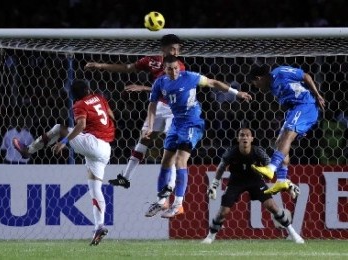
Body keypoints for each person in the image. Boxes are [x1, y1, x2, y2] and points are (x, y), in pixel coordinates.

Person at [144, 55, 252, 218]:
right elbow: (152, 105)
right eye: (169, 69)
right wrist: (150, 126)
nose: (173, 72)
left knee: (180, 160)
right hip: (176, 123)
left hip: (192, 123)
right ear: (164, 69)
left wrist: (236, 92)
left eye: (176, 68)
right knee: (166, 160)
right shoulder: (160, 83)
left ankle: (178, 204)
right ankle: (161, 201)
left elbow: (213, 83)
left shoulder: (190, 77)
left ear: (179, 67)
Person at [12, 80, 116, 246]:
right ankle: (99, 226)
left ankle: (28, 151)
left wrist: (65, 142)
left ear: (73, 95)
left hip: (94, 143)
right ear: (88, 89)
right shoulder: (99, 98)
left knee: (59, 128)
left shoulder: (79, 104)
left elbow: (81, 125)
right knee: (95, 188)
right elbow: (111, 115)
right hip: (106, 148)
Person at [85, 34, 184, 191]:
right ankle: (125, 177)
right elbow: (128, 68)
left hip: (175, 108)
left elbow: (171, 89)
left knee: (171, 144)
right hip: (158, 107)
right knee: (143, 140)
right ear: (163, 49)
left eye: (178, 50)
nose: (176, 53)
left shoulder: (178, 66)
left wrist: (143, 88)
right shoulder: (152, 60)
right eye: (173, 49)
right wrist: (100, 65)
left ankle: (171, 184)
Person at [202, 127, 304, 244]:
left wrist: (288, 183)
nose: (244, 137)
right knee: (223, 212)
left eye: (247, 135)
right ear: (238, 138)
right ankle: (210, 236)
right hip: (236, 182)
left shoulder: (258, 151)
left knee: (272, 206)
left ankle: (293, 233)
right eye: (242, 135)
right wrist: (214, 184)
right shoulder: (232, 152)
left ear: (251, 138)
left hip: (255, 180)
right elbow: (221, 167)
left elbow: (271, 168)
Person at [248, 65, 325, 195]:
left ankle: (271, 168)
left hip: (305, 106)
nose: (256, 87)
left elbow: (306, 76)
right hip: (294, 110)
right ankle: (282, 180)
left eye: (255, 83)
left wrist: (318, 95)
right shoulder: (271, 86)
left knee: (288, 135)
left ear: (259, 78)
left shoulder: (280, 72)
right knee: (279, 143)